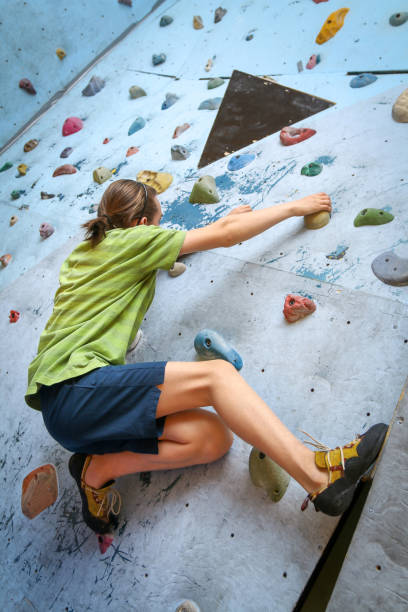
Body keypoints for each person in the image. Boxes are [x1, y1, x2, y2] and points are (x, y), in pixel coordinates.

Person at [25, 179, 387, 537]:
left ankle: (97, 469)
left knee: (212, 439)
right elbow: (228, 235)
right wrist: (296, 206)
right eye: (159, 224)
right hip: (75, 390)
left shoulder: (91, 251)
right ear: (142, 225)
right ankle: (319, 475)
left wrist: (215, 226)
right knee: (218, 377)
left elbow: (177, 247)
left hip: (71, 415)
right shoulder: (129, 241)